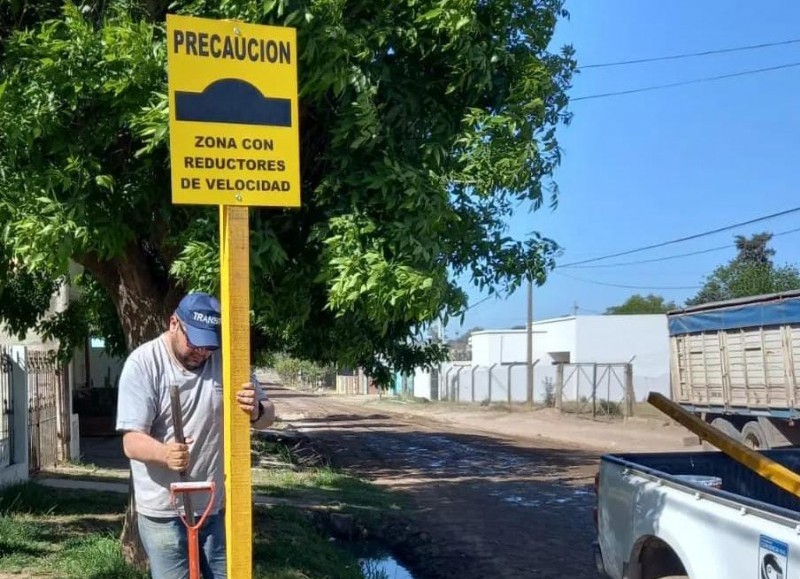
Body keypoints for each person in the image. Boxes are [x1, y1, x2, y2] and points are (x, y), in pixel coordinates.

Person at [116, 292, 276, 579]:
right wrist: (164, 453)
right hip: (164, 510)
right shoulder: (143, 364)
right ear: (174, 323)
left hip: (212, 506)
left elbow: (268, 416)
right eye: (195, 343)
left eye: (208, 345)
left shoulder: (227, 361)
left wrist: (256, 411)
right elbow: (131, 441)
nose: (202, 352)